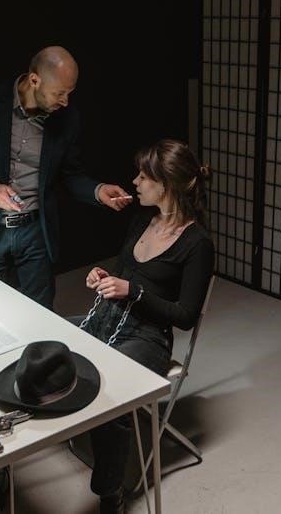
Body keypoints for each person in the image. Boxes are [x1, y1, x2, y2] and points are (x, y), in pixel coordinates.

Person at [72, 139, 214, 514]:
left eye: (143, 176)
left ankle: (110, 494)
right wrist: (102, 277)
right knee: (52, 340)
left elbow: (185, 316)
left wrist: (133, 292)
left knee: (112, 395)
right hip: (110, 317)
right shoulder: (141, 220)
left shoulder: (197, 243)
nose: (134, 181)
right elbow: (123, 273)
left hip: (149, 336)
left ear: (165, 185)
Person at [0, 45, 131, 309]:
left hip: (35, 231)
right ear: (34, 80)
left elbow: (69, 175)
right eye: (59, 93)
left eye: (69, 93)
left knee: (41, 313)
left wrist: (97, 190)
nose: (65, 101)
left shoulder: (67, 118)